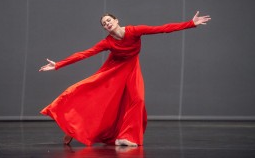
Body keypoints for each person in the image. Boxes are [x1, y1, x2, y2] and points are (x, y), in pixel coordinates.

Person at [39, 11, 211, 146]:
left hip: (131, 68)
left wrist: (191, 24)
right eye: (104, 23)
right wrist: (58, 64)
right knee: (95, 97)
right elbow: (85, 54)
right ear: (105, 28)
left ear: (116, 20)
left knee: (138, 99)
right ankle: (73, 128)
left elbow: (162, 28)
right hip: (113, 71)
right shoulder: (107, 42)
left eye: (109, 20)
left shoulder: (134, 31)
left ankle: (125, 137)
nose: (107, 23)